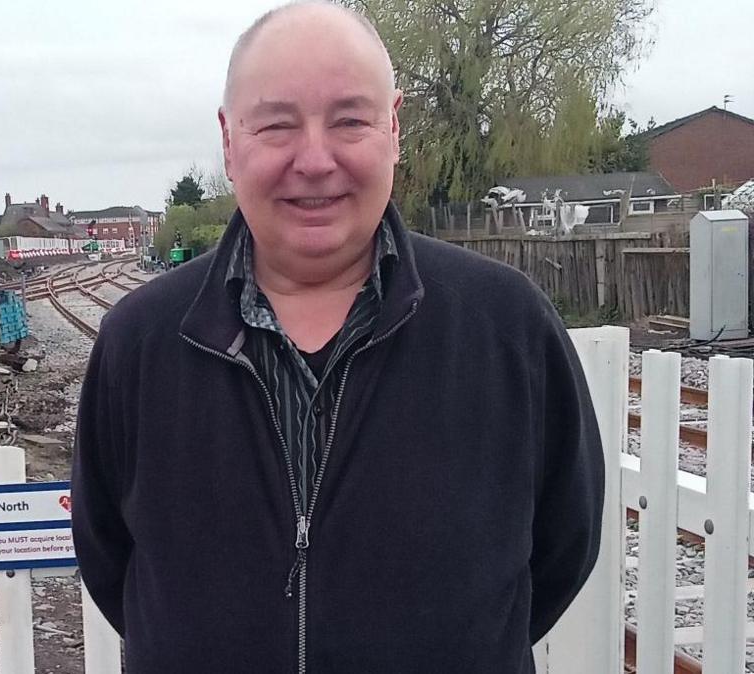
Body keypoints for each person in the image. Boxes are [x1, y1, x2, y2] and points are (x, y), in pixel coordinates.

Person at [71, 3, 604, 672]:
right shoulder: (140, 342)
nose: (315, 160)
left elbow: (562, 548)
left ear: (393, 128)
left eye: (350, 120)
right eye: (277, 125)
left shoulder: (507, 327)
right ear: (230, 141)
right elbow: (108, 554)